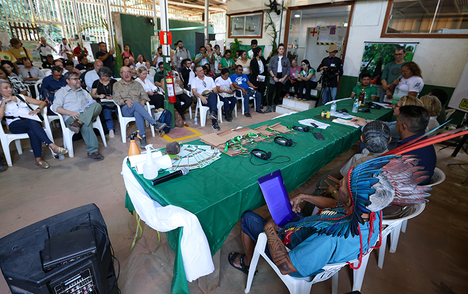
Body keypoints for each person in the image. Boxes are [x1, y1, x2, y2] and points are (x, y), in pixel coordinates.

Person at [228, 151, 431, 277]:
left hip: (296, 255)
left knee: (248, 218)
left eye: (341, 184)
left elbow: (285, 265)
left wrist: (270, 229)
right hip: (308, 231)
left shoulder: (330, 237)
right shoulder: (370, 211)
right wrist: (304, 197)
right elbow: (336, 203)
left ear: (351, 198)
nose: (337, 184)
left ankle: (246, 263)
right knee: (287, 212)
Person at [0, 80, 68, 168]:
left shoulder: (20, 97)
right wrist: (4, 102)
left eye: (10, 87)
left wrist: (38, 109)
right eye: (6, 88)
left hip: (30, 122)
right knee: (32, 123)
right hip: (15, 125)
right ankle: (51, 145)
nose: (10, 90)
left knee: (32, 130)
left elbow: (42, 102)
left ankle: (38, 160)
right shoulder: (1, 102)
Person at [52, 71, 104, 160]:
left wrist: (84, 115)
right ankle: (93, 151)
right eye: (75, 79)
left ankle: (80, 121)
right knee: (86, 124)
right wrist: (70, 113)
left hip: (85, 114)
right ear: (68, 81)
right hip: (71, 117)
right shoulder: (61, 92)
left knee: (97, 105)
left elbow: (92, 103)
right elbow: (56, 108)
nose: (78, 81)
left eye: (78, 79)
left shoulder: (83, 91)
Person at [113, 66, 167, 148]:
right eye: (124, 72)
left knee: (137, 111)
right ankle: (154, 123)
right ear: (121, 74)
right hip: (126, 109)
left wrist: (143, 101)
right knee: (135, 104)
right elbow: (116, 99)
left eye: (128, 72)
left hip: (138, 108)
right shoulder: (116, 85)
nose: (126, 74)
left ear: (131, 73)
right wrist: (125, 102)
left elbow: (145, 95)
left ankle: (142, 137)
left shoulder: (137, 84)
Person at [351, 95, 424, 151]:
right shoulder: (406, 122)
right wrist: (366, 120)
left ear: (403, 111)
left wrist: (365, 125)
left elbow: (374, 132)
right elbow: (387, 124)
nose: (393, 107)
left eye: (397, 106)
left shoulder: (400, 127)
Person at [395, 105, 436, 183]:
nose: (396, 124)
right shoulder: (424, 141)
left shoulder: (405, 154)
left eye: (397, 122)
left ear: (403, 127)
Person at [91, 67, 117, 138]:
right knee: (106, 110)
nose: (105, 78)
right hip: (102, 102)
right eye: (103, 76)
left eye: (107, 76)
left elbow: (119, 93)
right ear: (100, 75)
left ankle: (124, 123)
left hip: (113, 101)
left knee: (119, 109)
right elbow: (92, 95)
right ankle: (110, 129)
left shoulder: (114, 82)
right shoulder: (96, 82)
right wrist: (99, 96)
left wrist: (113, 96)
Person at [191, 65, 220, 131]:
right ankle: (214, 120)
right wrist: (201, 97)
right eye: (200, 71)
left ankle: (213, 115)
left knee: (212, 95)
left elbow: (216, 90)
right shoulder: (194, 80)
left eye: (202, 70)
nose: (202, 72)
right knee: (213, 104)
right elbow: (194, 92)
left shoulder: (209, 79)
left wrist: (211, 91)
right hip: (203, 99)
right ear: (196, 72)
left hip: (212, 97)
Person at [266, 44, 290, 113]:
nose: (281, 50)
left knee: (278, 92)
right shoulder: (273, 58)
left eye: (282, 49)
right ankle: (269, 106)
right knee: (270, 92)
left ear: (284, 50)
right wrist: (273, 77)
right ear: (278, 50)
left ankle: (275, 105)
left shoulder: (286, 59)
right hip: (274, 76)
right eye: (280, 49)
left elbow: (288, 69)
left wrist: (284, 78)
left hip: (282, 76)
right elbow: (269, 68)